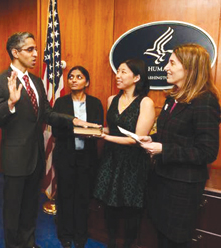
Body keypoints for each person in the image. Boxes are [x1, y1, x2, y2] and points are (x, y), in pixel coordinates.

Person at [0, 32, 97, 248]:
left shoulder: (35, 81)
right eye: (30, 49)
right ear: (15, 53)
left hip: (35, 158)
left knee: (29, 208)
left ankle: (28, 243)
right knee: (13, 211)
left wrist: (75, 121)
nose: (36, 54)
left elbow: (48, 114)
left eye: (36, 49)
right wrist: (9, 103)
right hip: (15, 160)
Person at [139, 44, 220, 248]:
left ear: (190, 69)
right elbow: (172, 134)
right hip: (161, 180)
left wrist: (163, 149)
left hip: (182, 188)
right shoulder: (173, 97)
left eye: (172, 63)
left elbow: (207, 151)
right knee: (160, 234)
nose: (166, 67)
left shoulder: (205, 101)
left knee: (174, 240)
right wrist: (153, 139)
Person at [94, 59, 155, 248]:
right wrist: (92, 129)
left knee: (131, 208)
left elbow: (136, 139)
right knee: (109, 204)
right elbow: (110, 129)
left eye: (122, 72)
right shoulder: (112, 99)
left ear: (137, 77)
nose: (117, 76)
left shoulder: (145, 102)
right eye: (117, 71)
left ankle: (128, 244)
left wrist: (104, 137)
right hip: (110, 159)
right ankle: (111, 242)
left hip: (133, 162)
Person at [52, 66, 104, 248]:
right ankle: (65, 234)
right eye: (71, 77)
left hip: (87, 159)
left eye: (79, 77)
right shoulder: (60, 103)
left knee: (83, 197)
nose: (74, 80)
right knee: (65, 196)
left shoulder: (95, 103)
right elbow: (57, 131)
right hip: (65, 157)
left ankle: (81, 234)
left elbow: (97, 129)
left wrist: (77, 129)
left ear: (86, 82)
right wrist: (84, 129)